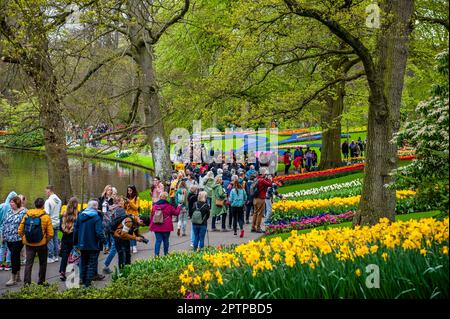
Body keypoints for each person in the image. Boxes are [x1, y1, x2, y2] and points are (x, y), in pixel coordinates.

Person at [18, 198, 54, 285]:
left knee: (28, 263)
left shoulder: (27, 215)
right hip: (42, 244)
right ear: (43, 205)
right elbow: (51, 233)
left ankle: (27, 283)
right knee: (42, 263)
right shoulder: (46, 217)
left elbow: (20, 230)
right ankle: (41, 282)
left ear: (35, 205)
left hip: (29, 244)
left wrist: (24, 238)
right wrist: (45, 241)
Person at [73, 200, 106, 288]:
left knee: (83, 262)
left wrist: (76, 242)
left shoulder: (80, 216)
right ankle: (88, 285)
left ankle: (83, 281)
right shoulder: (96, 217)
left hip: (82, 244)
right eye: (97, 207)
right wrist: (104, 241)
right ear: (95, 207)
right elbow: (99, 232)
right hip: (93, 245)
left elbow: (75, 230)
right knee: (92, 264)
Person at [113, 199, 144, 270]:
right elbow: (123, 234)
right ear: (141, 220)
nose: (142, 226)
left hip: (125, 239)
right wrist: (136, 238)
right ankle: (122, 274)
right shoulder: (129, 221)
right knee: (122, 256)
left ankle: (128, 272)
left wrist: (140, 236)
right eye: (142, 224)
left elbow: (135, 230)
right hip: (119, 238)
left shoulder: (136, 220)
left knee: (128, 255)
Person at [2, 196, 26, 286]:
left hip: (18, 239)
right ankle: (18, 275)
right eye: (10, 202)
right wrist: (3, 237)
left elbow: (26, 225)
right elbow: (4, 224)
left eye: (13, 202)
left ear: (17, 203)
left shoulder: (23, 212)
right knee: (15, 257)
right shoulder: (8, 212)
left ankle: (12, 278)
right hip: (8, 238)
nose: (11, 204)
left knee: (13, 256)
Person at [149, 192, 181, 256]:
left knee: (158, 241)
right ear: (166, 198)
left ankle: (156, 255)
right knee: (166, 241)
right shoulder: (169, 206)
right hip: (166, 226)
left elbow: (152, 216)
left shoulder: (154, 206)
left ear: (160, 197)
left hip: (156, 226)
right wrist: (179, 207)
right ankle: (166, 254)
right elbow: (176, 213)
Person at [102, 196, 124, 274]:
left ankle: (106, 265)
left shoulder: (112, 208)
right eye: (122, 201)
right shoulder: (120, 210)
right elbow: (122, 221)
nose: (123, 202)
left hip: (111, 230)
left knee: (114, 248)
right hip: (118, 232)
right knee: (118, 249)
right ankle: (107, 266)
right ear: (119, 202)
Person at [59, 197, 78, 281]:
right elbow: (78, 227)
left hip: (65, 237)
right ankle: (73, 273)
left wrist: (65, 230)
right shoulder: (78, 215)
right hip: (74, 237)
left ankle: (62, 272)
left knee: (65, 256)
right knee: (74, 255)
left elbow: (60, 227)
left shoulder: (64, 214)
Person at [44, 185, 62, 263]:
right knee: (55, 239)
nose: (45, 193)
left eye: (46, 191)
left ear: (49, 191)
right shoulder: (58, 200)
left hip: (50, 222)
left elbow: (47, 213)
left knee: (50, 240)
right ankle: (56, 256)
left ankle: (50, 257)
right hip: (57, 221)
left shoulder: (48, 201)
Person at [252, 168, 272, 233]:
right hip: (261, 198)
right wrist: (268, 178)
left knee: (255, 213)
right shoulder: (262, 180)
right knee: (260, 214)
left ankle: (253, 227)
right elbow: (270, 184)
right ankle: (258, 228)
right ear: (263, 173)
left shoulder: (256, 179)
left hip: (255, 198)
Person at [0, 191, 17, 271]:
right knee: (9, 247)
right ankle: (8, 264)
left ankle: (0, 263)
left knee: (2, 246)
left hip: (1, 229)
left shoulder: (2, 206)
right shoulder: (12, 207)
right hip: (10, 229)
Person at [98, 185, 114, 255]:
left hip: (110, 218)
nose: (109, 191)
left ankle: (111, 247)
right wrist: (101, 211)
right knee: (105, 233)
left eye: (110, 190)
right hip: (103, 218)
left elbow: (114, 208)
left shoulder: (112, 199)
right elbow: (98, 208)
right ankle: (106, 247)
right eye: (108, 190)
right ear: (105, 190)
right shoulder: (101, 198)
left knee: (110, 233)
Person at [125, 185, 140, 253]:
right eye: (128, 191)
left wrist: (130, 202)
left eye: (130, 191)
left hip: (134, 217)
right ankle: (130, 246)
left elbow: (136, 208)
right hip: (128, 217)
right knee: (128, 232)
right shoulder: (127, 198)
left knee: (133, 232)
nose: (129, 192)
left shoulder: (137, 198)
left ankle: (134, 246)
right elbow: (125, 208)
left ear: (133, 191)